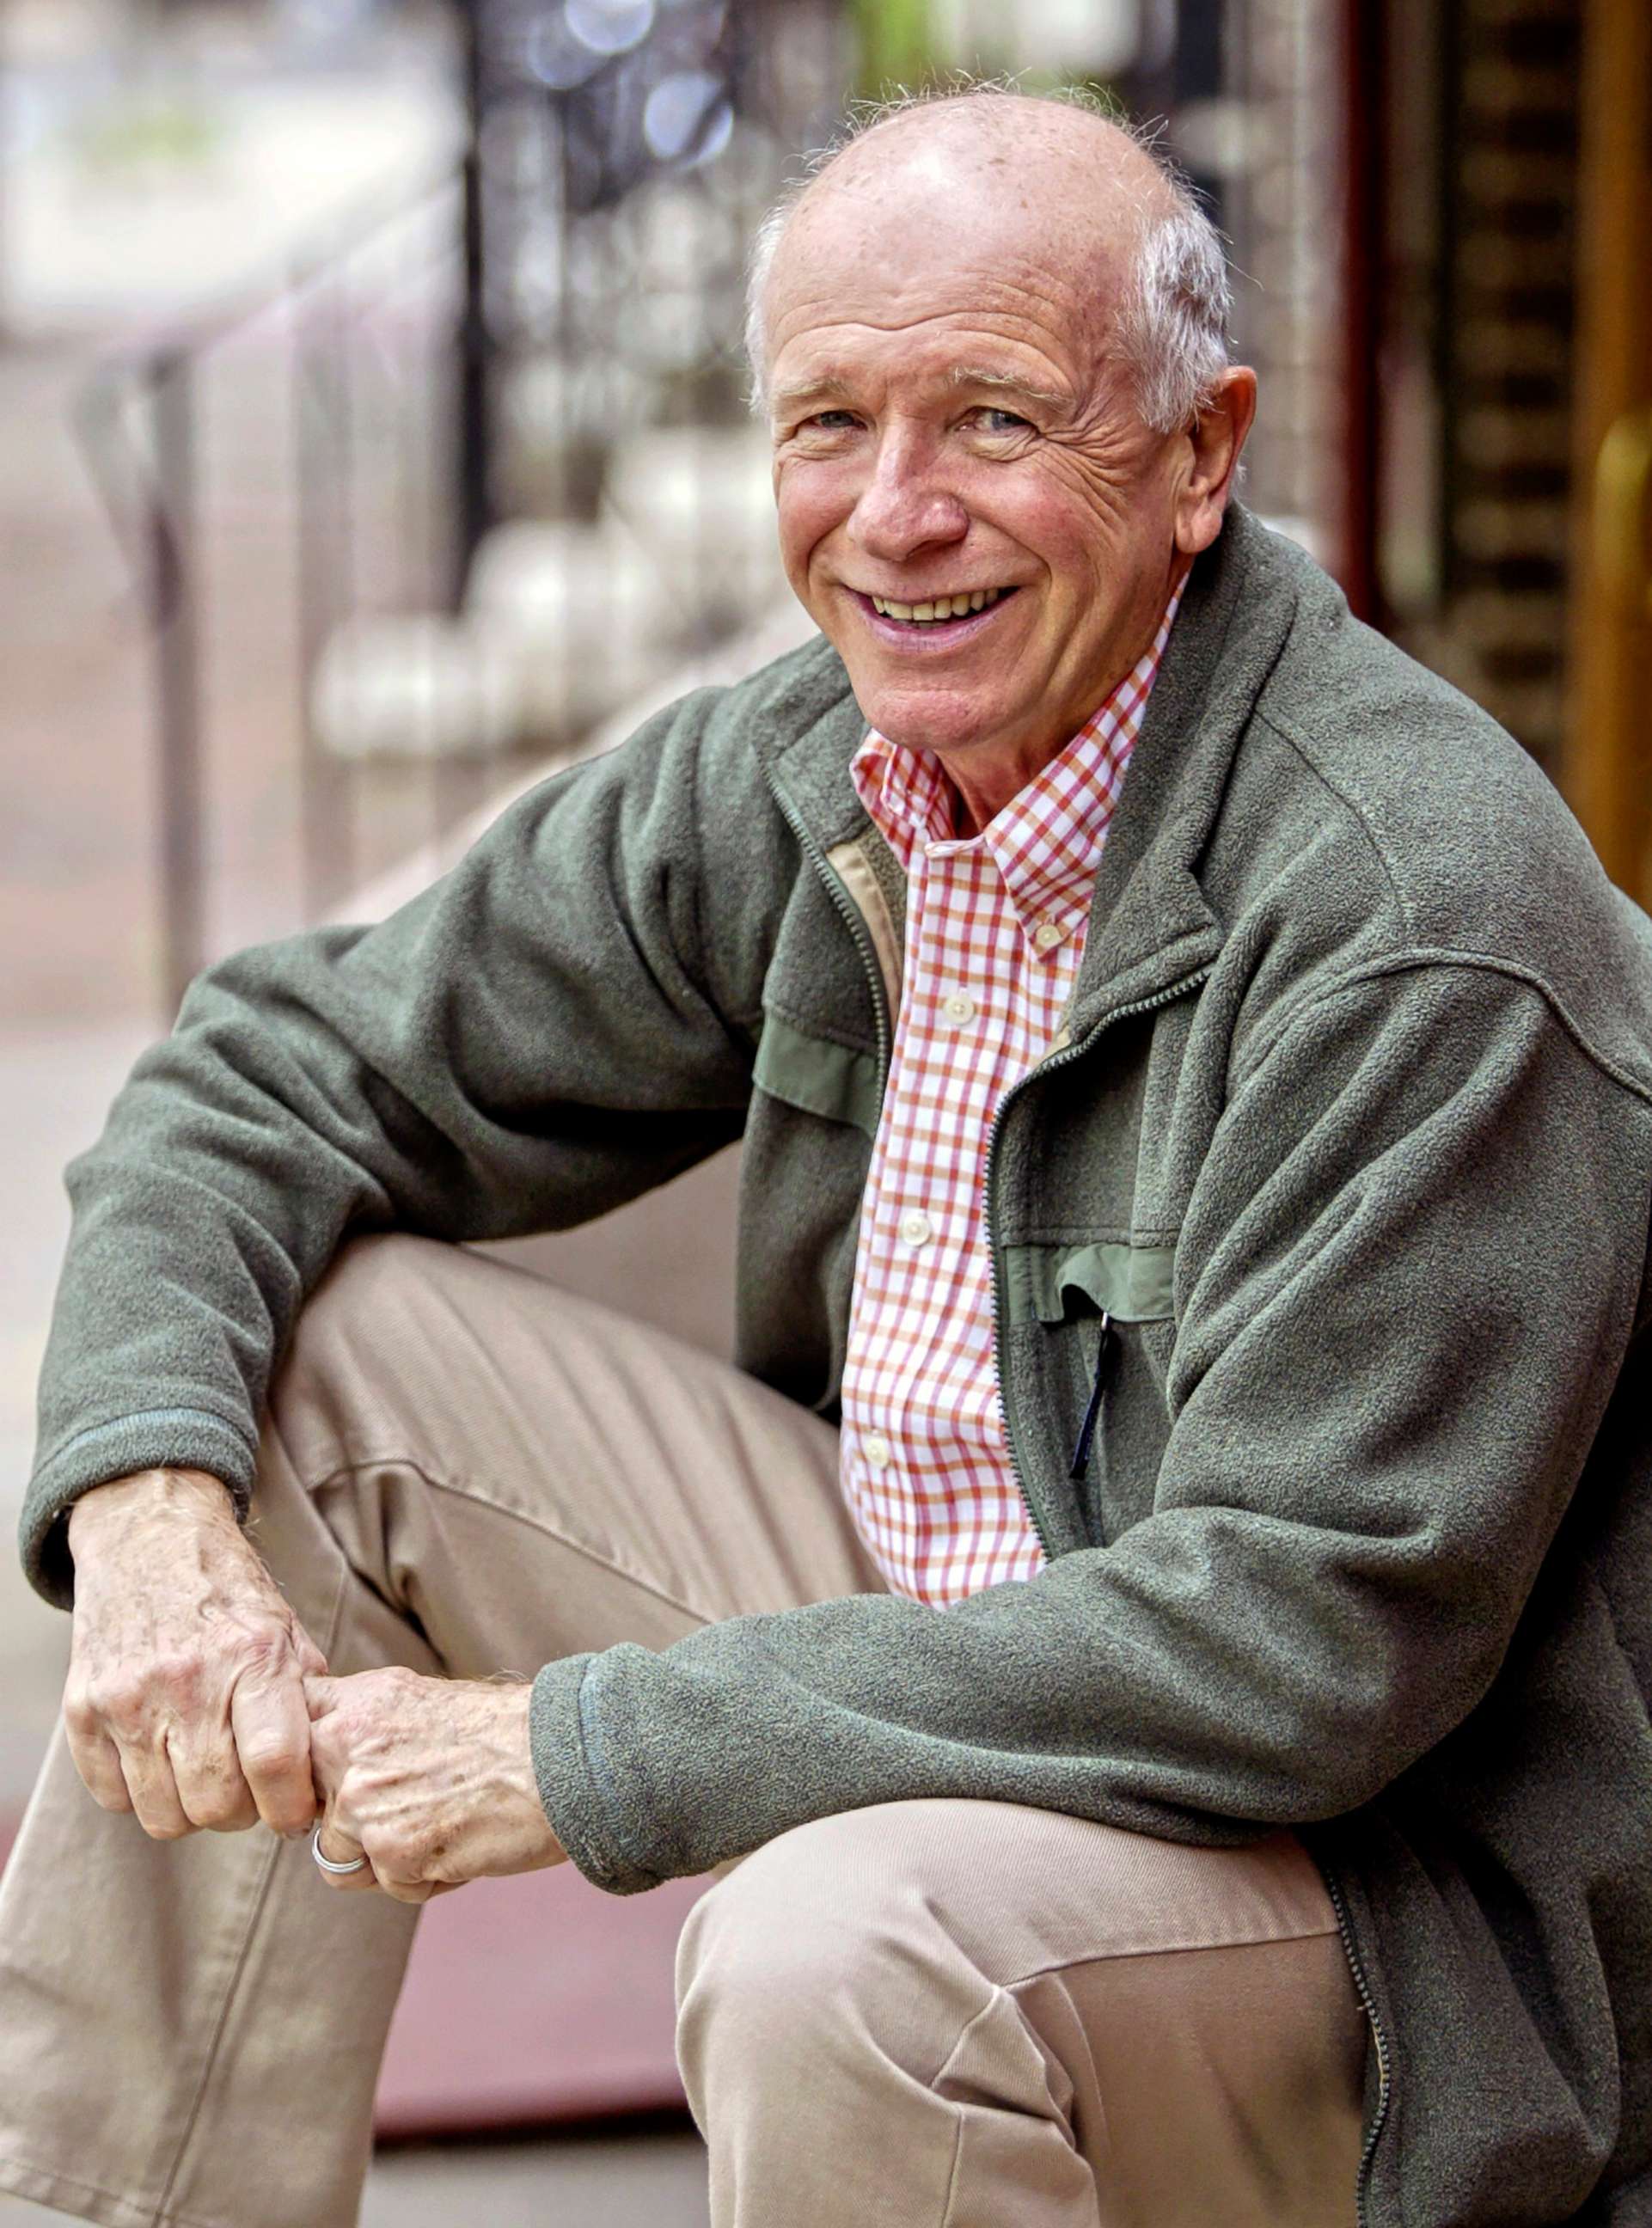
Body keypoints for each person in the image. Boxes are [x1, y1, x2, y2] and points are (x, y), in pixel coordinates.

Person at [3, 83, 1650, 2228]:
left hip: (1364, 1897)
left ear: (1198, 456)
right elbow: (262, 1073)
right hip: (953, 1614)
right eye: (824, 426)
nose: (893, 515)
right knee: (326, 1361)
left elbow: (1302, 1643)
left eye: (991, 421)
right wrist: (141, 1520)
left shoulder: (1411, 921)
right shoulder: (815, 775)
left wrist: (570, 1750)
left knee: (839, 1956)